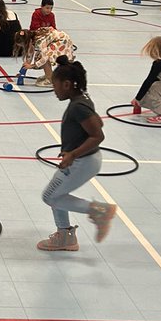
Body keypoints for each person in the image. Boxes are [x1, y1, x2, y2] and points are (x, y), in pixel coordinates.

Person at [37, 56, 117, 252]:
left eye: (55, 85)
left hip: (83, 161)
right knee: (58, 194)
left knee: (50, 197)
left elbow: (98, 135)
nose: (53, 90)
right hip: (83, 158)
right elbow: (98, 122)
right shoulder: (82, 98)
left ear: (66, 84)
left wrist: (73, 154)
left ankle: (100, 211)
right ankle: (65, 236)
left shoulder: (78, 106)